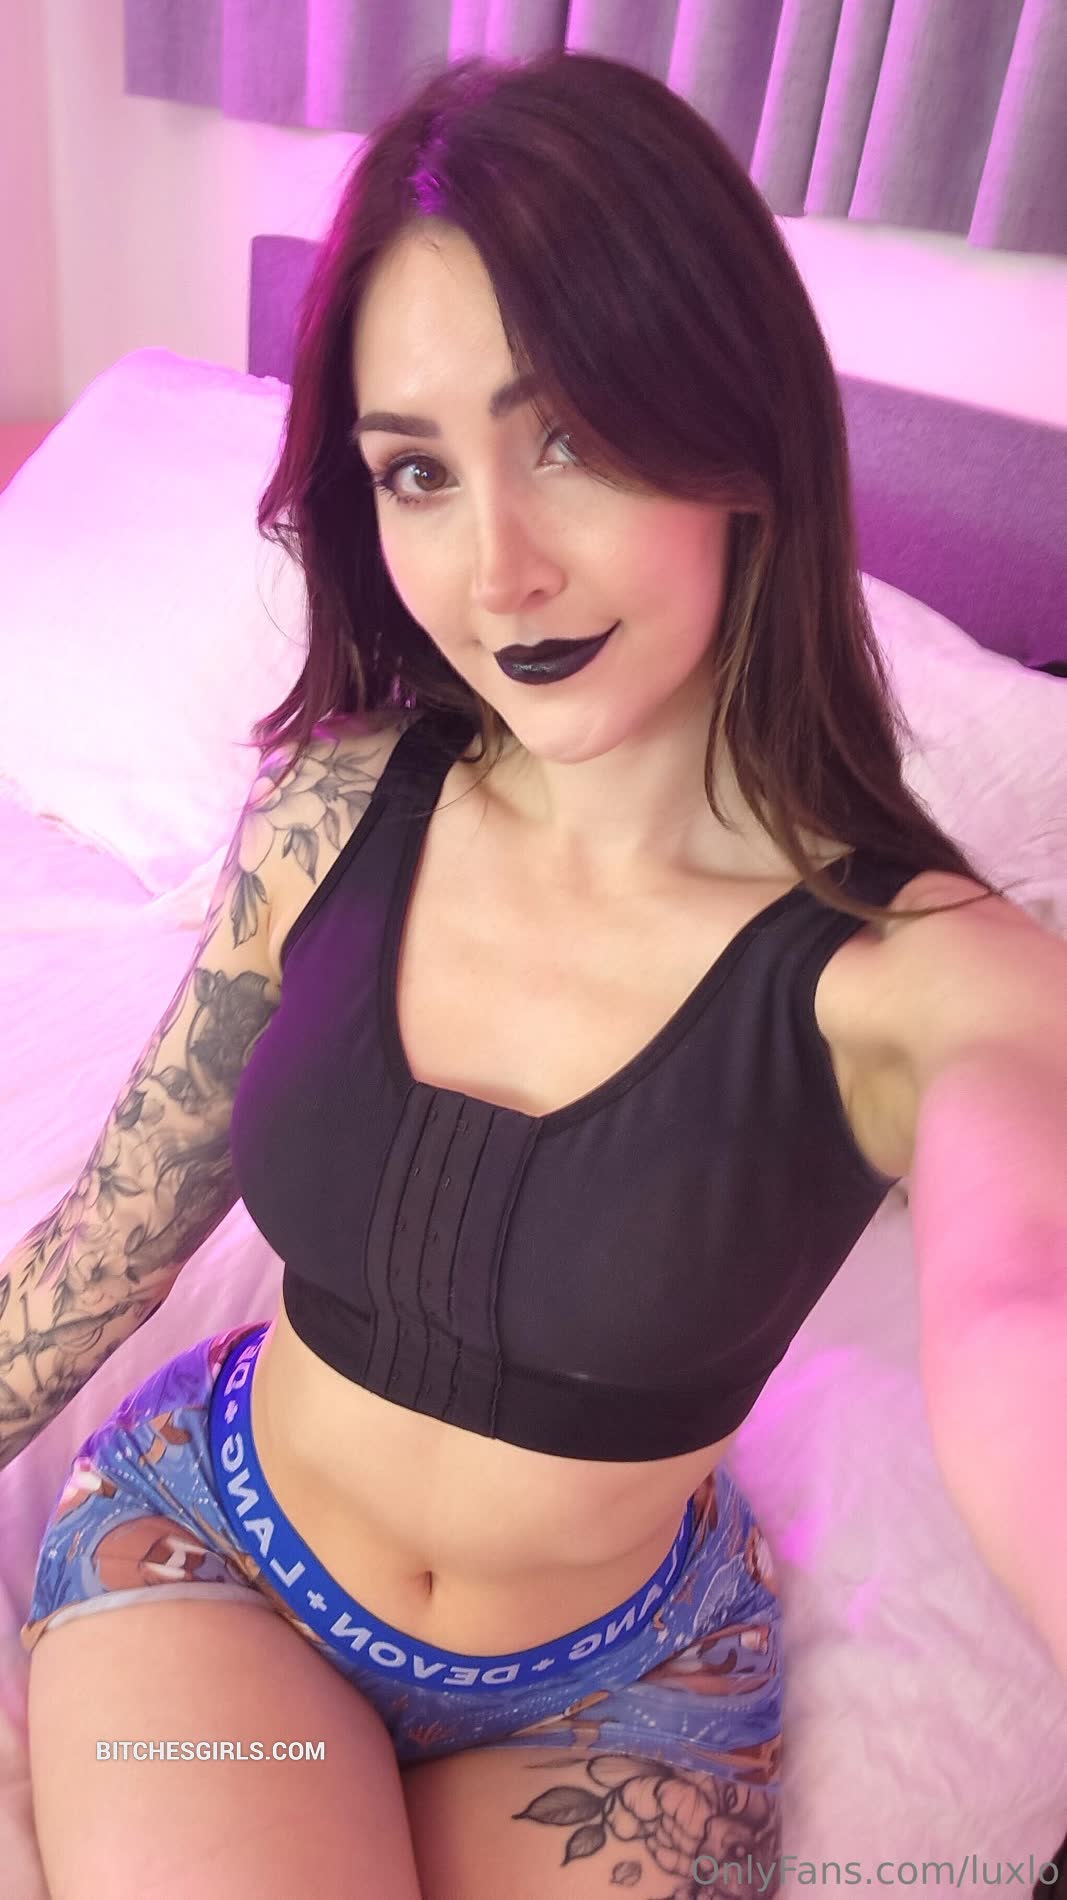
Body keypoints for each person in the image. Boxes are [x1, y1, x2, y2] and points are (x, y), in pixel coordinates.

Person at [4, 48, 1024, 1900]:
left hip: (621, 1693)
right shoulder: (333, 812)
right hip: (219, 1569)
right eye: (418, 471)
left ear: (739, 437)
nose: (500, 573)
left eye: (568, 440)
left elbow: (1028, 1306)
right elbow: (114, 1239)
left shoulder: (923, 974)